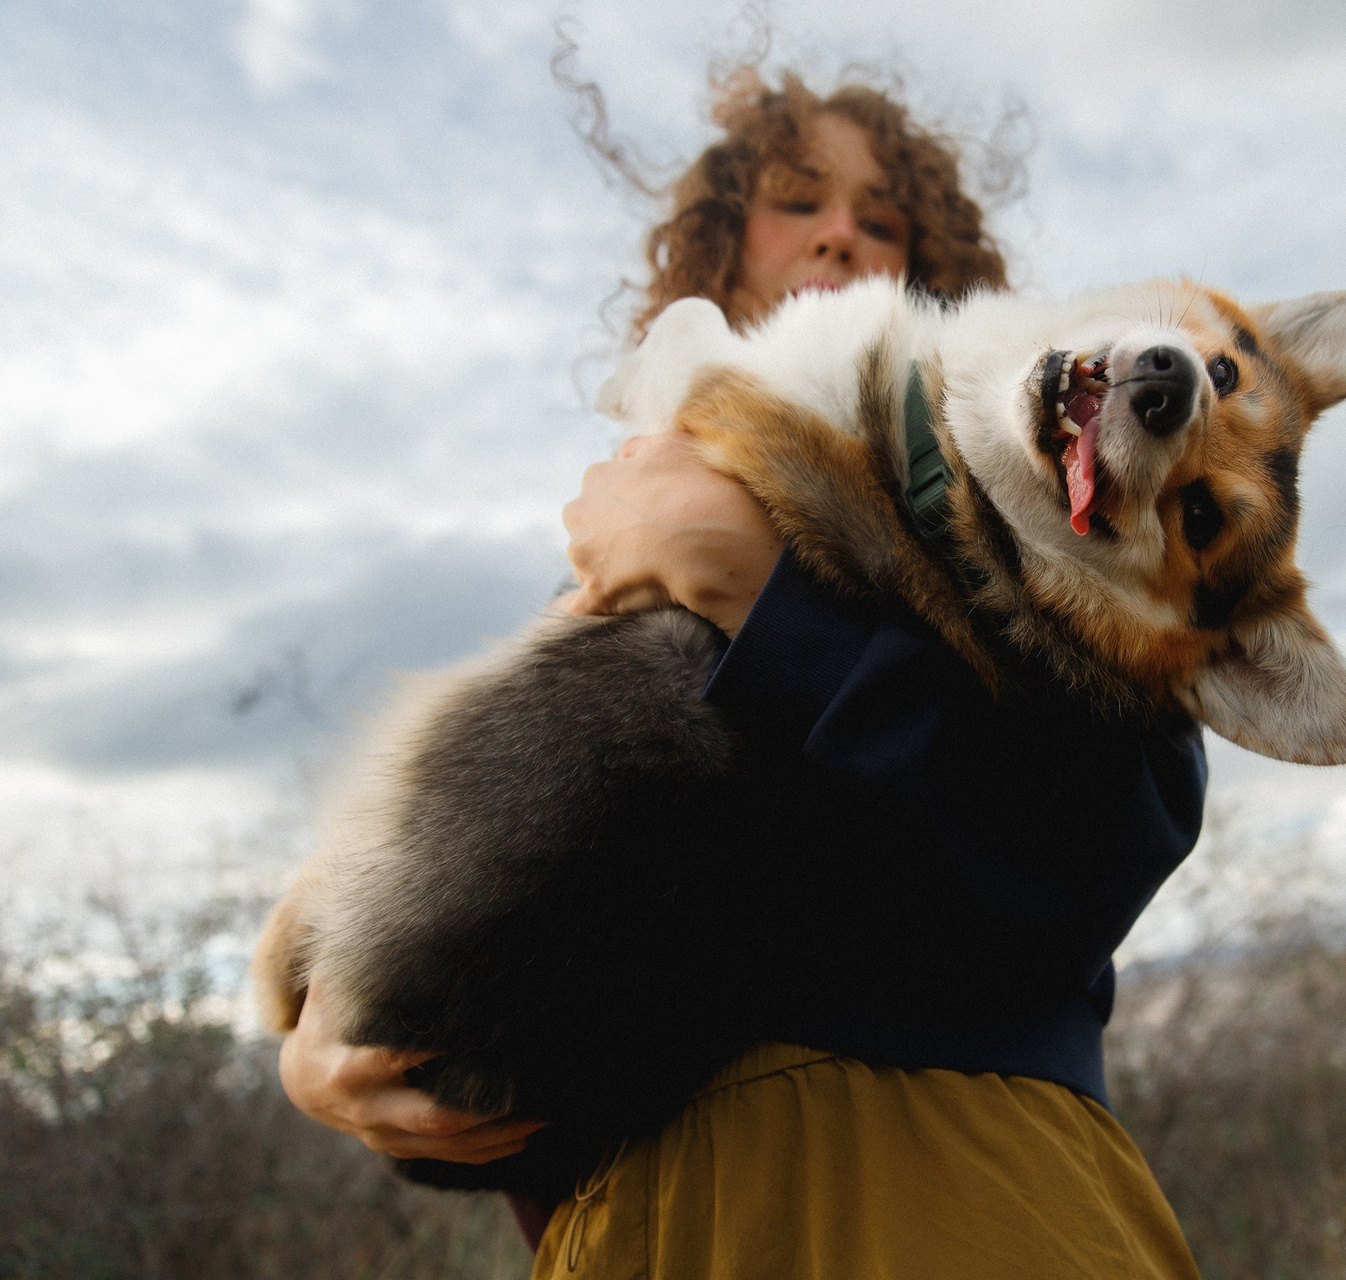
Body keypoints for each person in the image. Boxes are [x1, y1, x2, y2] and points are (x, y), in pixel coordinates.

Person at [277, 67, 1209, 1279]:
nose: (839, 233)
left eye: (881, 219)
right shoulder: (609, 559)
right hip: (626, 1221)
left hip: (947, 1176)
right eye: (797, 200)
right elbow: (444, 855)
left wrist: (767, 600)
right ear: (715, 258)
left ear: (931, 275)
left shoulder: (1029, 499)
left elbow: (1120, 823)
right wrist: (318, 1039)